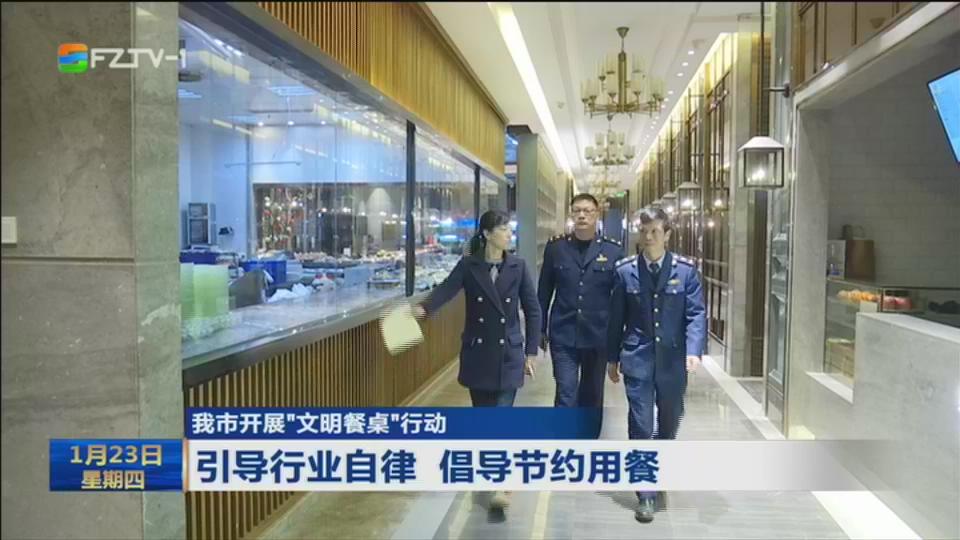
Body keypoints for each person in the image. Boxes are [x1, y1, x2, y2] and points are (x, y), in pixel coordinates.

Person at [412, 209, 541, 512]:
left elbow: (532, 309)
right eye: (503, 229)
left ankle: (500, 482)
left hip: (509, 353)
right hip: (478, 353)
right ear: (487, 234)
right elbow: (447, 289)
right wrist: (425, 309)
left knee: (501, 418)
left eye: (509, 229)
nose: (509, 234)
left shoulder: (518, 266)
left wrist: (531, 352)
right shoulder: (469, 266)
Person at [606, 207, 706, 524]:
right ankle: (645, 494)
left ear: (667, 235)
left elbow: (695, 314)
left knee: (669, 422)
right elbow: (616, 319)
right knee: (641, 425)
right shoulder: (625, 272)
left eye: (655, 232)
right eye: (644, 231)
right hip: (637, 358)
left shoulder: (686, 272)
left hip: (673, 361)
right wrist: (612, 358)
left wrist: (694, 350)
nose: (648, 238)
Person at [537, 194, 623, 435]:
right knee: (566, 392)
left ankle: (588, 444)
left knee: (592, 396)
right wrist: (539, 330)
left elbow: (620, 301)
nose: (582, 215)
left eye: (587, 211)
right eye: (577, 211)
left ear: (597, 214)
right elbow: (543, 293)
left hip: (598, 335)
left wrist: (618, 340)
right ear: (571, 215)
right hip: (563, 333)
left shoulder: (613, 251)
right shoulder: (556, 248)